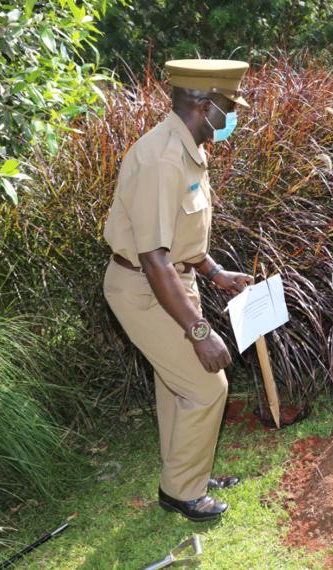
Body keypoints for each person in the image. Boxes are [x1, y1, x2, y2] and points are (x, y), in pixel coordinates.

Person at [102, 59, 256, 522]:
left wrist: (214, 274)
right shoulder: (162, 159)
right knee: (208, 385)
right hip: (143, 287)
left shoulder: (190, 147)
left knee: (177, 387)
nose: (231, 118)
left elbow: (180, 238)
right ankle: (181, 493)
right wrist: (199, 330)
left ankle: (186, 474)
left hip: (170, 281)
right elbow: (153, 259)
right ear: (205, 106)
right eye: (228, 108)